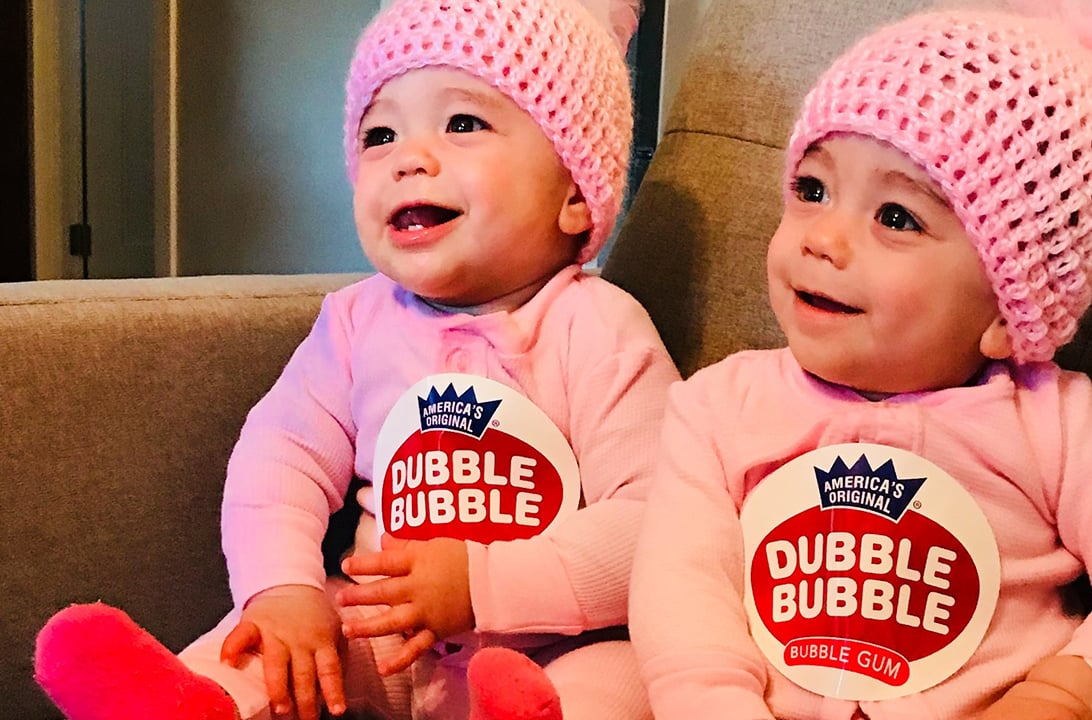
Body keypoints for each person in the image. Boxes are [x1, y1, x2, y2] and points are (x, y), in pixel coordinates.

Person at [629, 2, 1092, 719]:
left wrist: (1069, 696)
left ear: (1011, 305)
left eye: (897, 218)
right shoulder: (720, 405)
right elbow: (681, 581)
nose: (823, 239)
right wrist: (711, 700)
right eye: (812, 191)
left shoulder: (1050, 423)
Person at [34, 1, 677, 719]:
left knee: (623, 678)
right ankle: (193, 703)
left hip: (554, 643)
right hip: (382, 629)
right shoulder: (354, 324)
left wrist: (484, 584)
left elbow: (656, 520)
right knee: (271, 648)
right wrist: (280, 588)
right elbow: (279, 458)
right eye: (380, 134)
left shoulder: (600, 328)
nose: (409, 157)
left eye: (463, 123)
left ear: (574, 197)